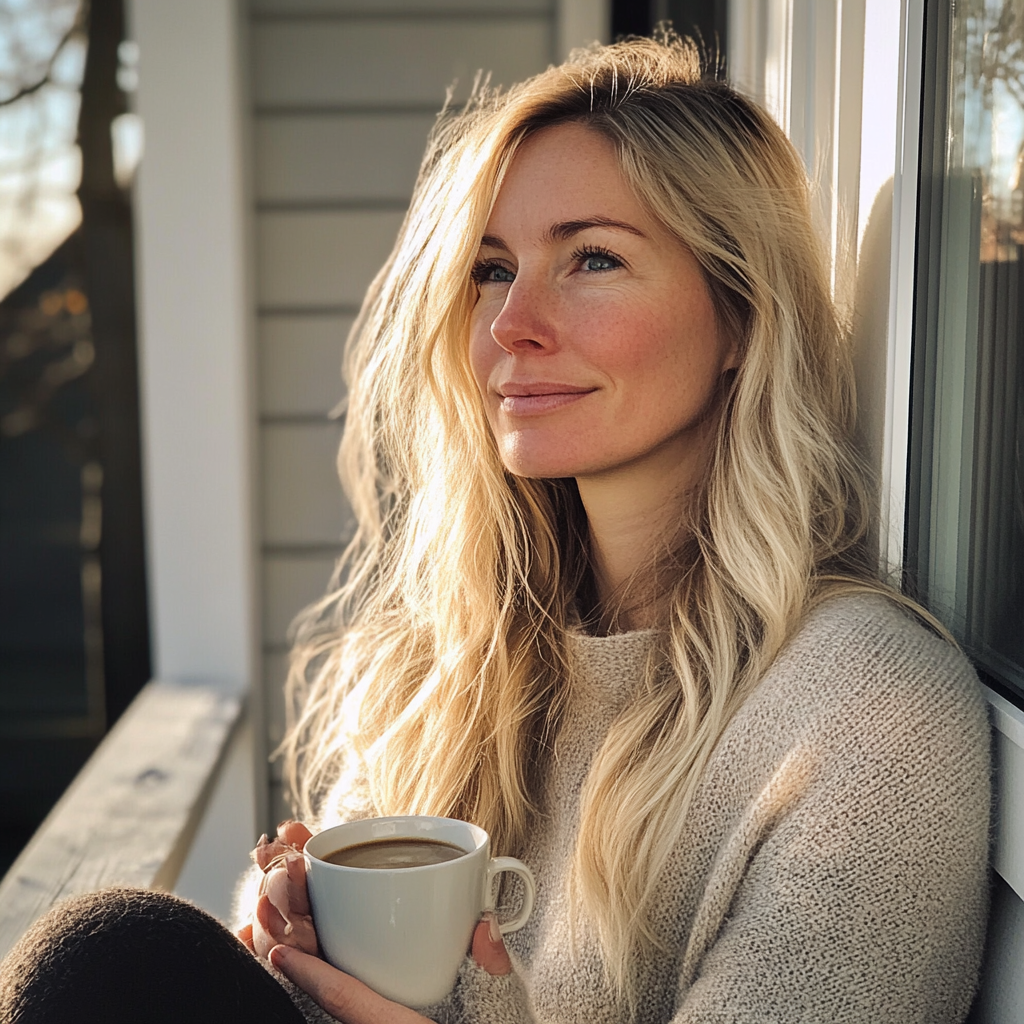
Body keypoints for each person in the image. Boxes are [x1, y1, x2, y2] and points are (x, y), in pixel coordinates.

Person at [0, 34, 990, 1024]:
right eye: (491, 268)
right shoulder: (448, 667)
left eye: (592, 258)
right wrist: (292, 947)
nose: (512, 321)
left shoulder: (863, 711)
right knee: (116, 961)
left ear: (739, 316)